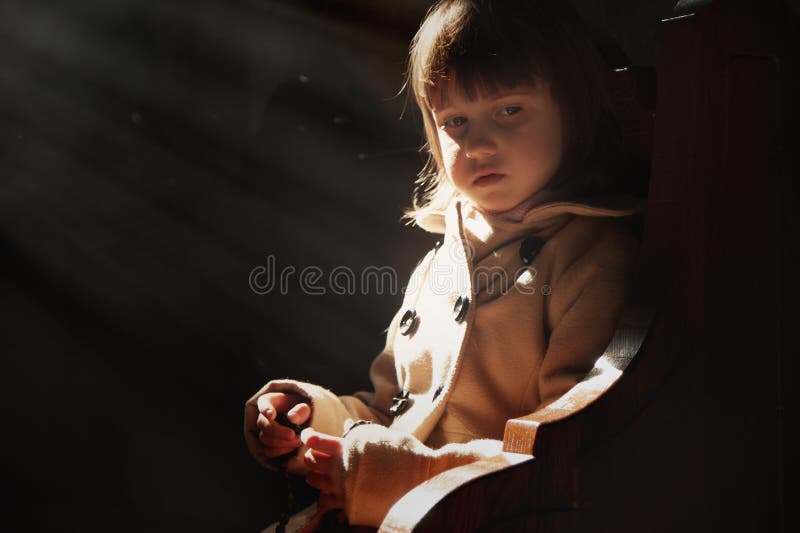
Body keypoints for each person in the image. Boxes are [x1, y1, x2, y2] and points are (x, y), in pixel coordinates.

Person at [245, 0, 646, 530]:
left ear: (571, 113)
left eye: (509, 110)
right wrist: (311, 423)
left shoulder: (591, 258)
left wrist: (391, 475)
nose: (479, 144)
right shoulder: (442, 260)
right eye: (455, 121)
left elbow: (566, 456)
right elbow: (393, 413)